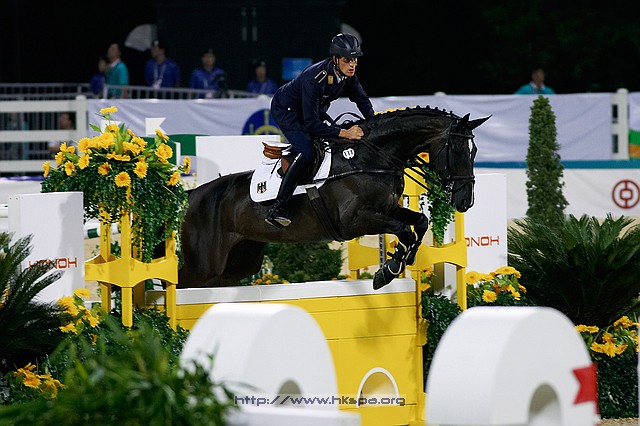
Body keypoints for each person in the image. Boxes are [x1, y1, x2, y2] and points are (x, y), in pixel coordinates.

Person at [265, 33, 374, 228]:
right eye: (347, 60)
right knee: (307, 151)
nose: (352, 65)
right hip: (287, 110)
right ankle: (278, 207)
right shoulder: (315, 78)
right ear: (335, 59)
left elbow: (362, 100)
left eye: (355, 59)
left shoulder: (348, 76)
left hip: (312, 110)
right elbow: (311, 124)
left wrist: (374, 123)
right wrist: (346, 133)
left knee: (333, 140)